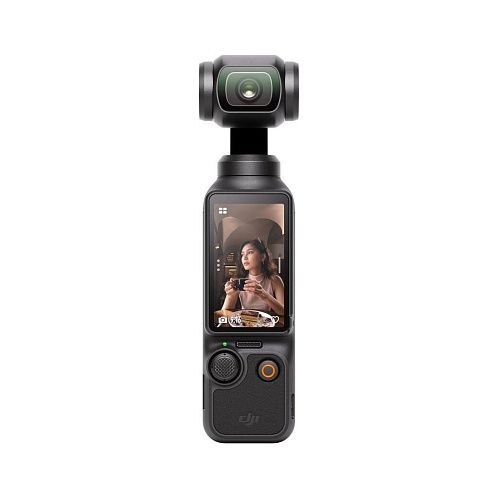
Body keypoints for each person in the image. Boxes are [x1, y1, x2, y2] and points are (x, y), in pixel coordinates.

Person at [221, 238, 284, 315]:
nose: (244, 257)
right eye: (242, 254)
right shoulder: (238, 281)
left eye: (250, 252)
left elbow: (284, 312)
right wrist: (229, 295)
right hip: (244, 320)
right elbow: (224, 313)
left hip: (265, 320)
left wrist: (264, 295)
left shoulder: (275, 280)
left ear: (262, 257)